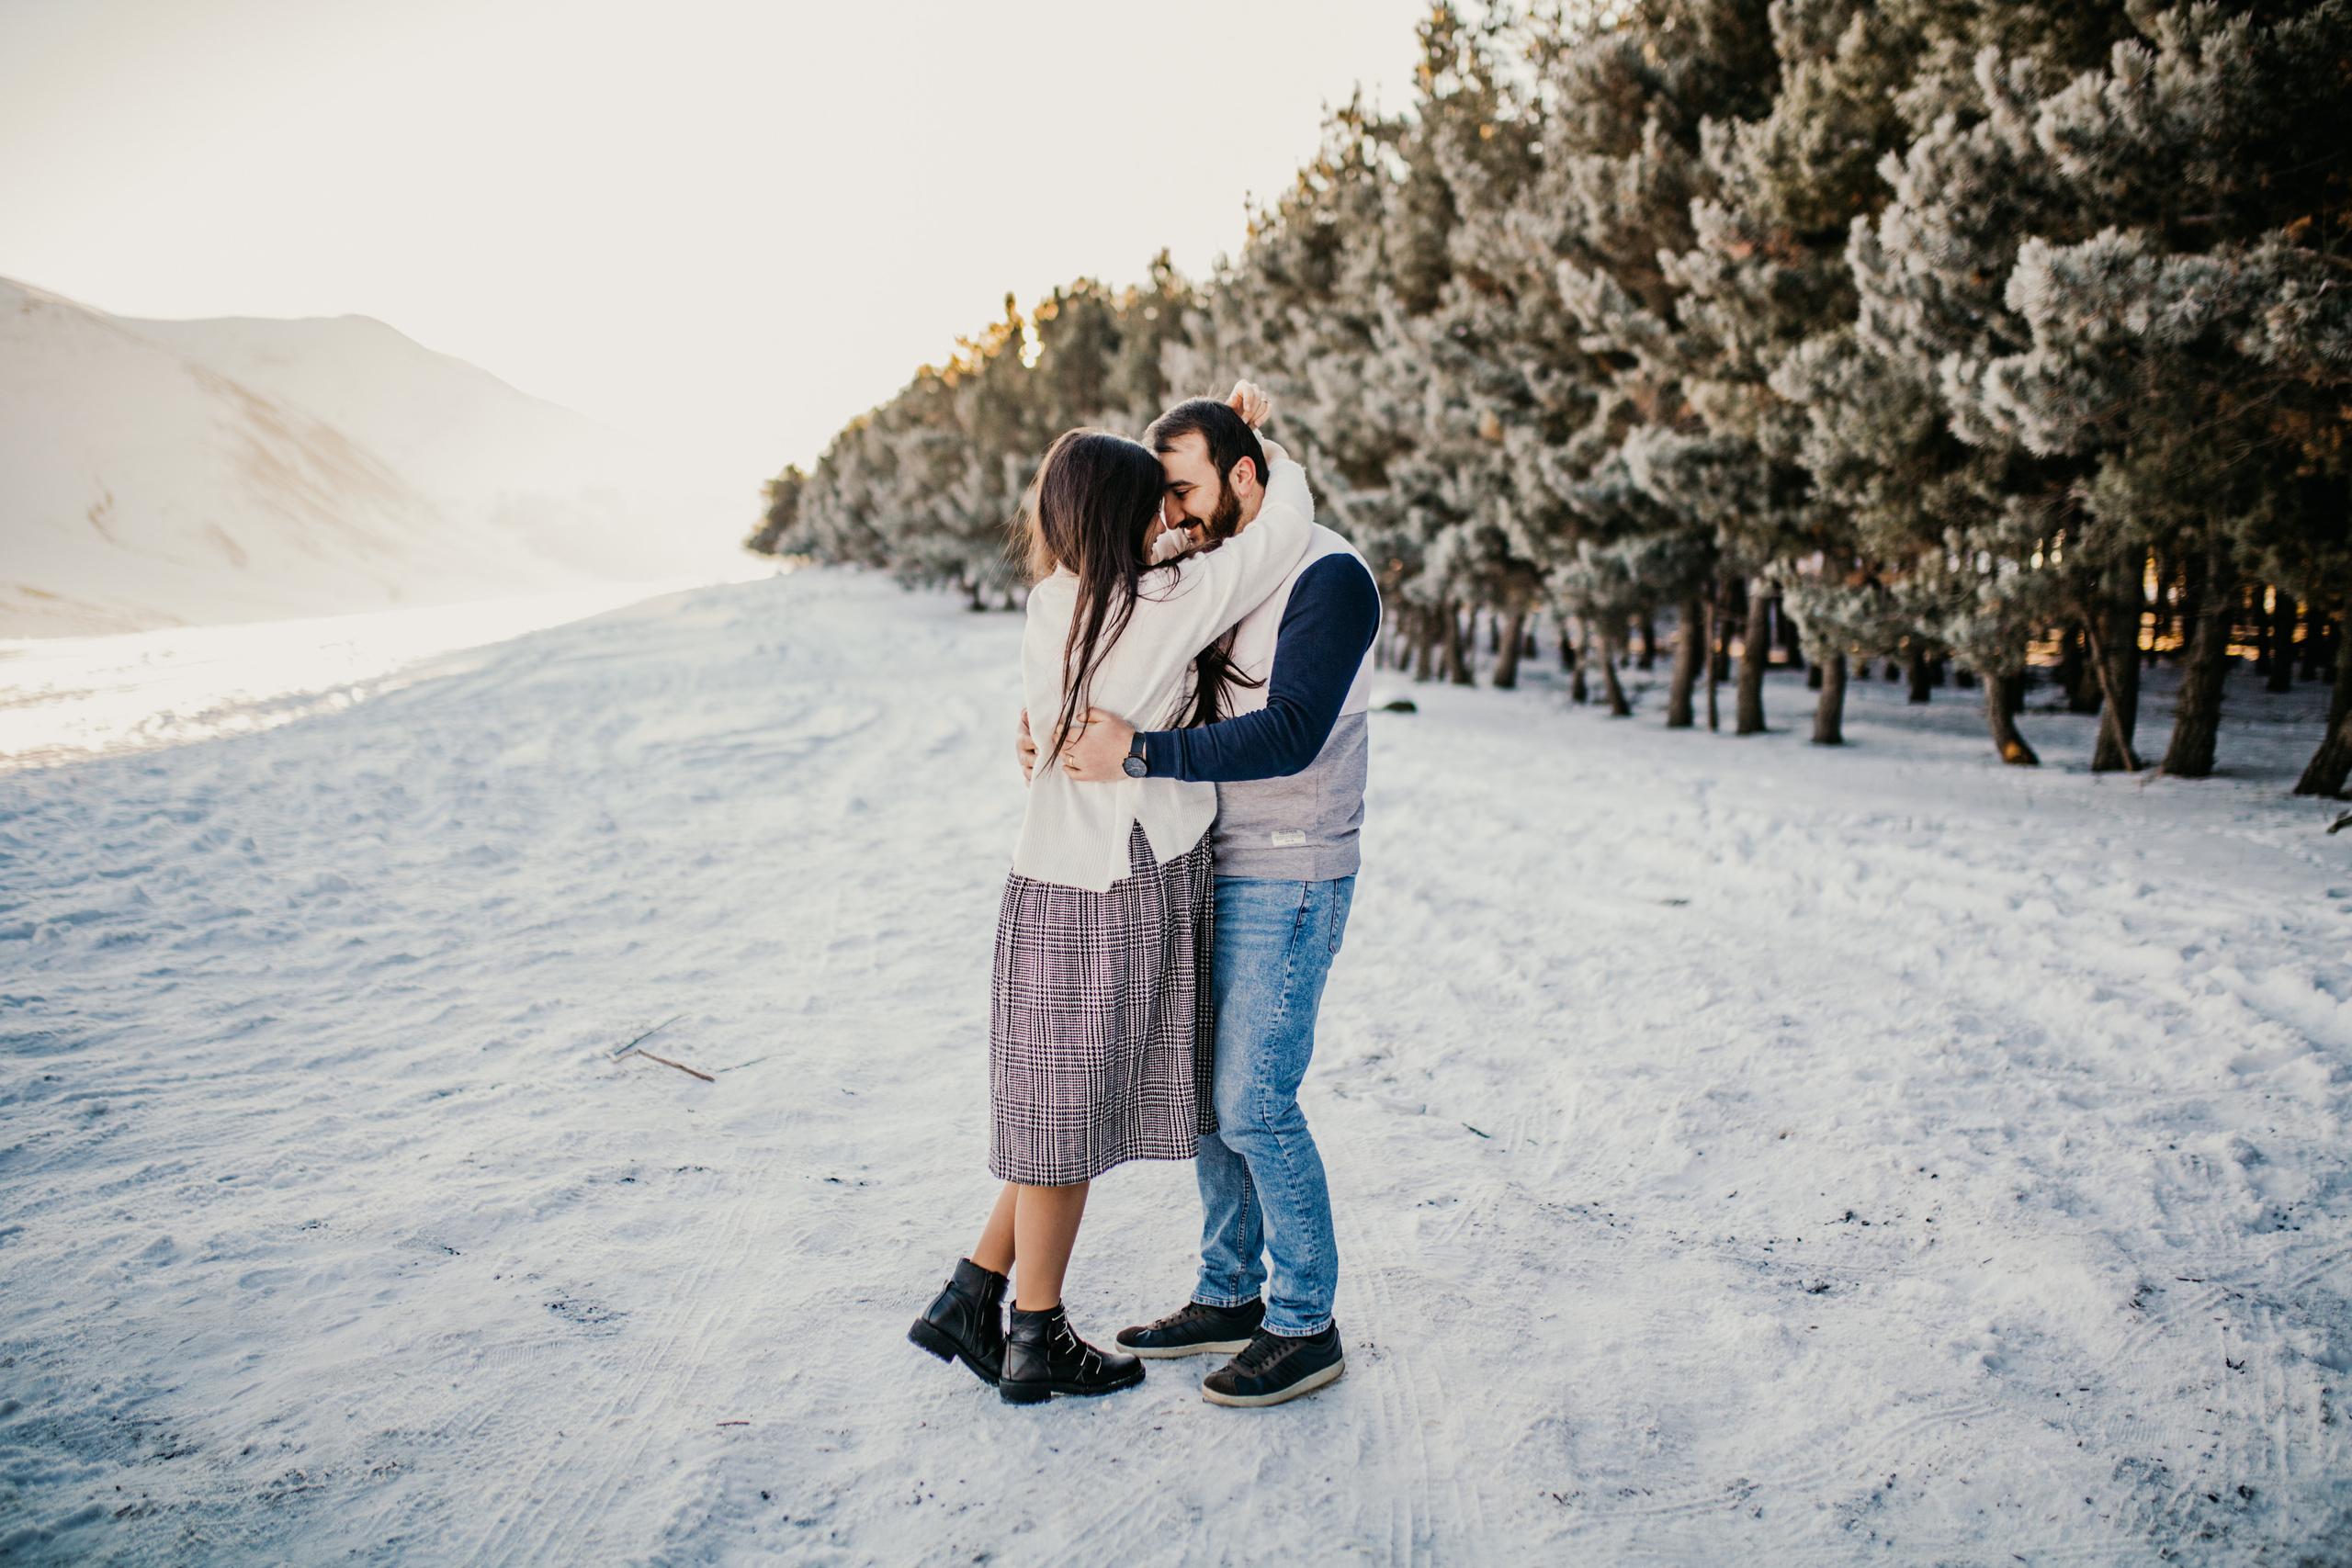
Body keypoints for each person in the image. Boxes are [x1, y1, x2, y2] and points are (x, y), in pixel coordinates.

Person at [910, 386, 1314, 1405]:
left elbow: (1154, 564)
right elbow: (1281, 533)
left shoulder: (1057, 600)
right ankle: (1035, 1333)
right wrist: (1260, 452)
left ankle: (974, 1292)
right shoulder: (1165, 603)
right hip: (1123, 882)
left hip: (1043, 882)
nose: (1173, 517)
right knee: (1072, 1118)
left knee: (1055, 1104)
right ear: (1122, 515)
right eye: (1157, 503)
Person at [1049, 396, 1383, 1408]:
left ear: (1246, 476)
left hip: (1290, 866)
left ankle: (1305, 1323)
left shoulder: (1329, 574)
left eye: (1187, 489)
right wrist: (1049, 731)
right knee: (1205, 1096)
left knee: (1255, 1101)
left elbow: (1291, 731)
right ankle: (1230, 1292)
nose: (1175, 514)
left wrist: (1139, 754)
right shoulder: (1216, 569)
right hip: (1203, 860)